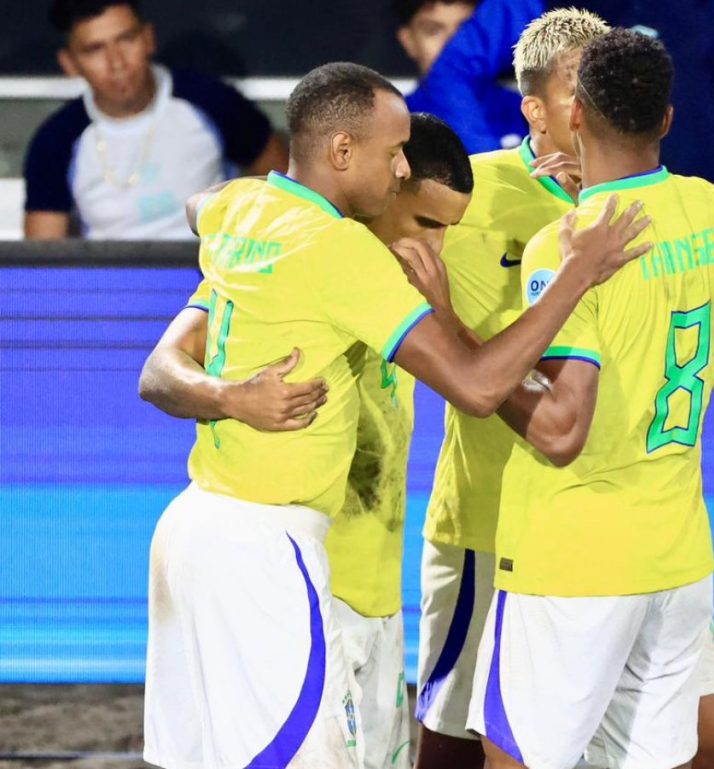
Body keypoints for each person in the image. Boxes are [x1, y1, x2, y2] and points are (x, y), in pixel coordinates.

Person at [140, 60, 649, 769]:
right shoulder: (343, 252)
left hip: (276, 549)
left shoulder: (254, 215)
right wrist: (576, 273)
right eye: (393, 157)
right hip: (270, 547)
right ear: (346, 156)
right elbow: (474, 386)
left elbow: (210, 203)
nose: (433, 244)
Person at [414, 10, 714, 769]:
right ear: (539, 109)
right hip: (496, 526)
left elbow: (569, 416)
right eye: (582, 77)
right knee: (451, 740)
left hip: (576, 544)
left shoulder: (583, 228)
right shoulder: (465, 197)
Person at [139, 112, 475, 769]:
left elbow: (206, 204)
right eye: (424, 225)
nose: (436, 250)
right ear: (379, 191)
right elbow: (161, 368)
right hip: (301, 584)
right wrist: (231, 398)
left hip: (375, 592)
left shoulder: (384, 279)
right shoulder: (293, 263)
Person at [411, 0, 714, 240]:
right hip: (574, 220)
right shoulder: (534, 1)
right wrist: (514, 177)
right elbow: (454, 71)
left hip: (688, 217)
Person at [23, 0, 287, 240]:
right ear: (70, 63)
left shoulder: (211, 101)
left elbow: (290, 190)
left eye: (126, 39)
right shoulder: (55, 141)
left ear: (148, 38)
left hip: (216, 280)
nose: (117, 62)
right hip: (111, 287)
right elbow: (43, 260)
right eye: (95, 49)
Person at [396, 0, 525, 153]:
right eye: (433, 30)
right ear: (408, 40)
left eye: (465, 30)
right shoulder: (391, 122)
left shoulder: (529, 111)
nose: (452, 43)